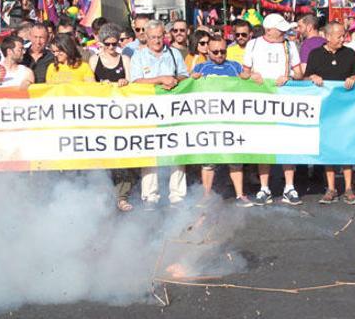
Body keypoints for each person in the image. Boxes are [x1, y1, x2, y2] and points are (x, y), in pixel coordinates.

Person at [243, 13, 303, 206]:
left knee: (288, 144)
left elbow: (300, 73)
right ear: (269, 29)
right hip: (262, 101)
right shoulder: (253, 45)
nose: (285, 31)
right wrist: (252, 75)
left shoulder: (289, 45)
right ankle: (264, 188)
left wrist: (290, 76)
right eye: (281, 29)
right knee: (264, 145)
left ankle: (289, 187)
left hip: (285, 100)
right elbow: (243, 73)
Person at [130, 20, 189, 209]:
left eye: (160, 36)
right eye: (153, 37)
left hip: (173, 110)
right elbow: (136, 81)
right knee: (150, 151)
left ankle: (177, 195)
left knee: (176, 150)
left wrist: (173, 80)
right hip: (149, 112)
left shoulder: (174, 53)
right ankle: (150, 195)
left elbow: (184, 75)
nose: (157, 40)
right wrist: (159, 80)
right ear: (146, 37)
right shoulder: (138, 56)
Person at [191, 34, 254, 207]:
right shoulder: (201, 68)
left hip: (231, 121)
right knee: (208, 161)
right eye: (215, 52)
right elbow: (186, 90)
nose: (219, 55)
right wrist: (191, 79)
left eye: (223, 51)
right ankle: (206, 195)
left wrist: (252, 77)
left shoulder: (234, 66)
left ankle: (240, 195)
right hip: (209, 122)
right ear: (208, 51)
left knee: (235, 160)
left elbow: (248, 80)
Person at [305, 21, 355, 205]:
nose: (342, 38)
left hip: (345, 108)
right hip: (324, 109)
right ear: (328, 37)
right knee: (328, 148)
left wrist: (353, 78)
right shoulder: (315, 54)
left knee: (346, 147)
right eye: (339, 36)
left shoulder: (349, 53)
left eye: (344, 35)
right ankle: (330, 188)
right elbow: (306, 77)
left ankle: (348, 188)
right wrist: (312, 77)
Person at [89, 23, 136, 212]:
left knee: (121, 156)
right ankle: (102, 194)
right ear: (101, 43)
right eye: (107, 44)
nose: (111, 48)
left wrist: (125, 82)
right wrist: (102, 85)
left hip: (120, 114)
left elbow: (133, 83)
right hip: (100, 115)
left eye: (114, 44)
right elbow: (90, 85)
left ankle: (122, 195)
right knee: (101, 157)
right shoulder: (94, 60)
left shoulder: (124, 59)